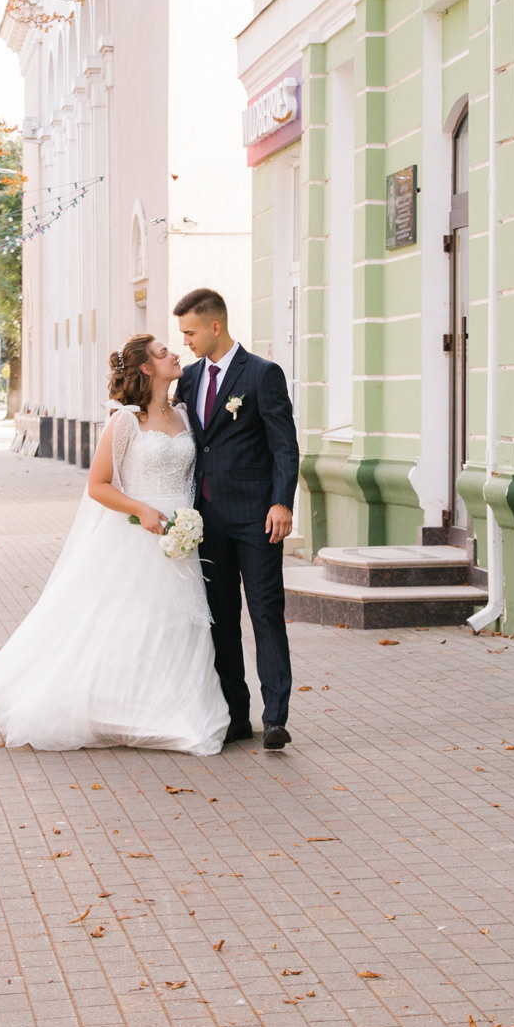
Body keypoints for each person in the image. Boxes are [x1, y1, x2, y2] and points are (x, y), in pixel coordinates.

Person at [0, 332, 225, 755]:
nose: (174, 353)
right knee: (129, 621)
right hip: (136, 535)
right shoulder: (126, 421)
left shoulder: (184, 415)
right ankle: (117, 710)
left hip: (181, 537)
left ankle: (179, 712)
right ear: (146, 368)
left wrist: (188, 524)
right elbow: (98, 485)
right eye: (164, 352)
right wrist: (142, 510)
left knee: (177, 623)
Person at [173, 286, 300, 751]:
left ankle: (276, 718)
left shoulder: (263, 374)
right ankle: (235, 716)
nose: (185, 340)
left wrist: (282, 501)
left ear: (215, 326)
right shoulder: (187, 379)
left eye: (189, 331)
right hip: (206, 521)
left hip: (257, 519)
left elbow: (284, 444)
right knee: (220, 619)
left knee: (266, 613)